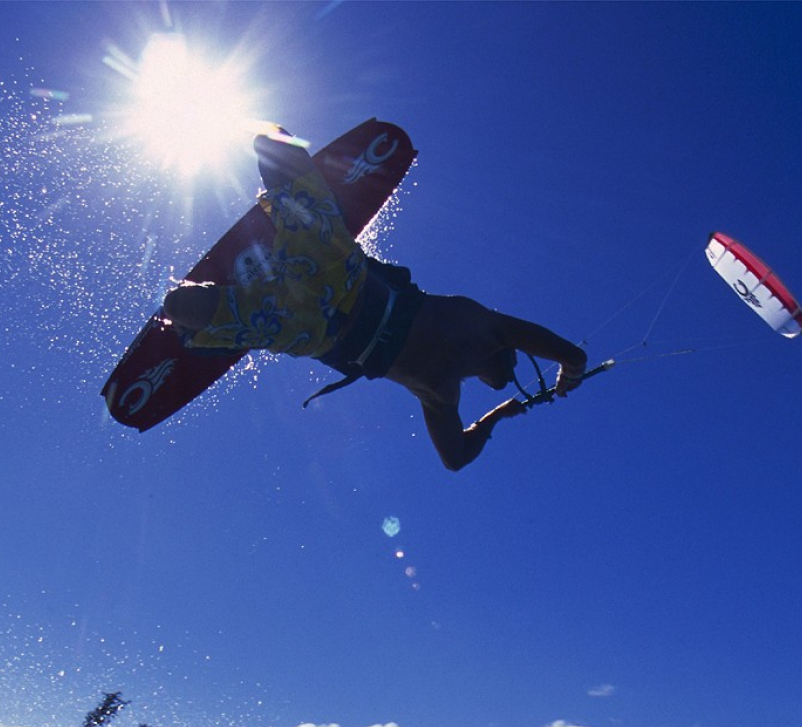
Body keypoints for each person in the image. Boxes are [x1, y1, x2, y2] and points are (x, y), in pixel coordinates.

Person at [164, 129, 587, 471]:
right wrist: (513, 405)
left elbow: (456, 458)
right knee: (183, 305)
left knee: (181, 303)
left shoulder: (453, 372)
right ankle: (202, 313)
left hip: (328, 299)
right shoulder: (458, 363)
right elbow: (565, 355)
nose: (512, 370)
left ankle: (206, 302)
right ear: (506, 353)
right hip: (323, 310)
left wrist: (516, 403)